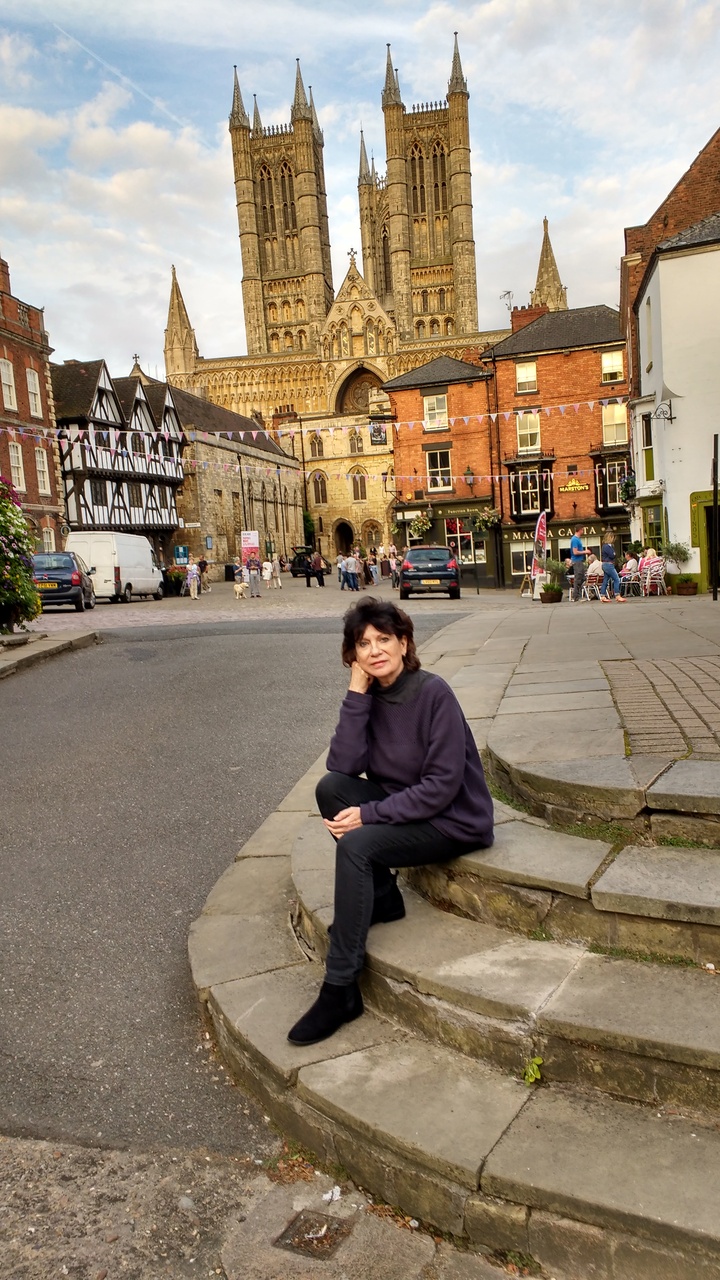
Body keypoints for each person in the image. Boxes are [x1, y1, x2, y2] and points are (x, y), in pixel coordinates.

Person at [287, 597, 495, 1046]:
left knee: (357, 844)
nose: (375, 650)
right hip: (406, 804)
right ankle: (382, 899)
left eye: (385, 639)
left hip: (453, 819)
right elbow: (342, 766)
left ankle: (341, 988)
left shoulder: (433, 693)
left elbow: (441, 787)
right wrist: (356, 694)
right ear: (353, 656)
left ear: (404, 643)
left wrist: (369, 814)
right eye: (364, 644)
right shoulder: (370, 695)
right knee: (330, 789)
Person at [599, 531, 626, 603]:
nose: (614, 539)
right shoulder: (607, 546)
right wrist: (613, 553)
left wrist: (613, 554)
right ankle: (617, 595)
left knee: (605, 580)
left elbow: (614, 554)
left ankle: (602, 596)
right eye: (613, 537)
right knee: (617, 579)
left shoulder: (606, 546)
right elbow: (612, 555)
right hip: (608, 564)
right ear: (610, 538)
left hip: (605, 564)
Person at [570, 524, 591, 601]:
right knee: (578, 578)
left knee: (582, 577)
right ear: (580, 530)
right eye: (583, 529)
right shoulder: (575, 539)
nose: (583, 531)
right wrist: (585, 551)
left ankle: (578, 595)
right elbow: (575, 552)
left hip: (579, 561)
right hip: (577, 560)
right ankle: (576, 597)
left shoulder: (577, 539)